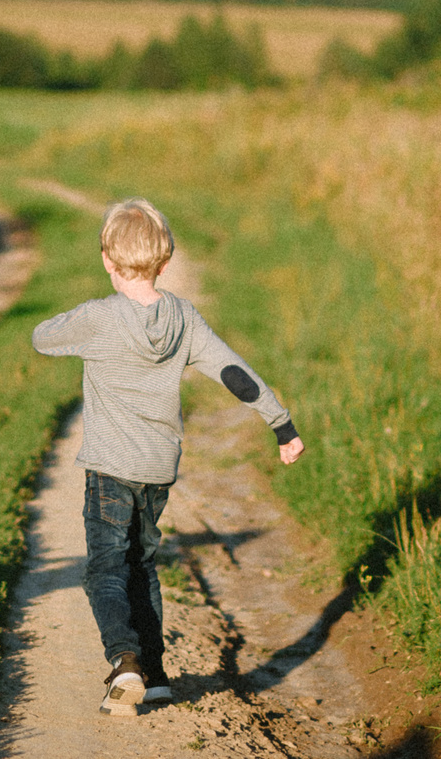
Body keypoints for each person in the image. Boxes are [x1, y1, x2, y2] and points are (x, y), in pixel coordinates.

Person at [32, 198, 304, 715]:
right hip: (158, 471)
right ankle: (156, 677)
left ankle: (125, 660)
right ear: (165, 260)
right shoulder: (184, 318)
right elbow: (233, 373)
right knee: (142, 565)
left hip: (111, 469)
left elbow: (42, 337)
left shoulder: (98, 318)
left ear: (107, 260)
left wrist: (81, 317)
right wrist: (281, 425)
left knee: (105, 569)